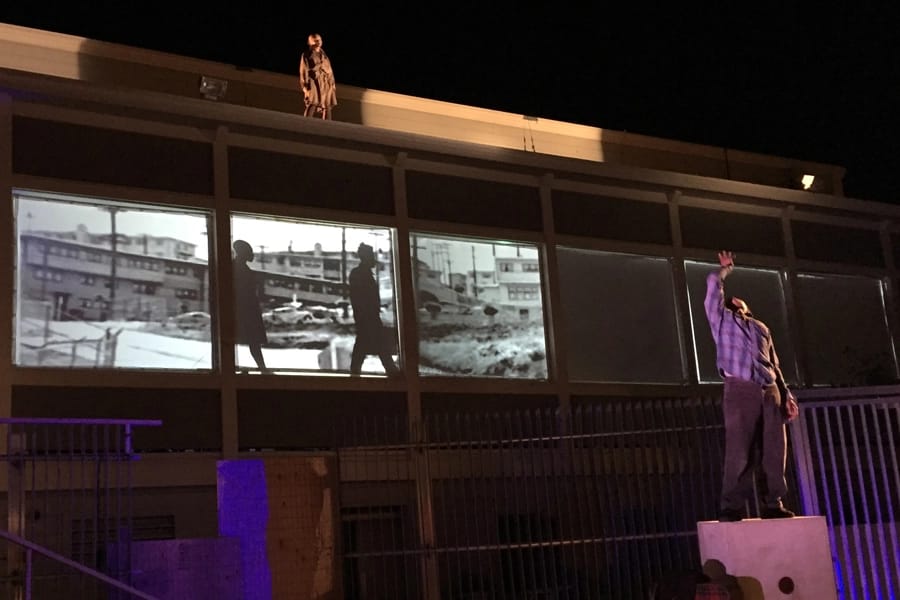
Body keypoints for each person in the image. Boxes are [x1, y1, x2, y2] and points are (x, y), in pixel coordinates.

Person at [704, 250, 799, 522]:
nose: (736, 301)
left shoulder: (761, 328)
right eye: (732, 301)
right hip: (740, 388)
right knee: (739, 449)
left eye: (740, 302)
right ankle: (731, 506)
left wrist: (787, 396)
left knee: (774, 449)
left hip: (769, 390)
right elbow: (712, 291)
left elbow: (775, 365)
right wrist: (724, 270)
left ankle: (773, 503)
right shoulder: (722, 320)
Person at [349, 243, 401, 376]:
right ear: (366, 257)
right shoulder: (360, 274)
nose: (373, 259)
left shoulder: (359, 274)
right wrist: (366, 314)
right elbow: (360, 298)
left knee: (366, 344)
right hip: (368, 316)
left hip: (367, 316)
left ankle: (356, 372)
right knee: (376, 343)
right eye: (371, 256)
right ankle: (390, 370)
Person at [232, 239, 269, 371]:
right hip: (245, 311)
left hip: (246, 310)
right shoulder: (239, 269)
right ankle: (262, 368)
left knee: (252, 341)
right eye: (250, 252)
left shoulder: (241, 268)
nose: (252, 255)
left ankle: (262, 368)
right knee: (253, 340)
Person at [298, 33, 337, 119]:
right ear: (309, 42)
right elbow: (304, 70)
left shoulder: (324, 55)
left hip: (326, 82)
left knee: (327, 105)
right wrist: (305, 86)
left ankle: (327, 125)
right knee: (313, 102)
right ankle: (305, 123)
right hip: (314, 82)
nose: (318, 42)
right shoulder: (306, 54)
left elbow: (330, 70)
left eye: (319, 40)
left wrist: (332, 83)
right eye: (315, 40)